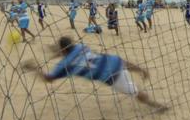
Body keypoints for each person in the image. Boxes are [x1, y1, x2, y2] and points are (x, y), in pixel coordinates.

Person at [21, 36, 168, 112]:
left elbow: (48, 79)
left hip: (112, 76)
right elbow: (68, 51)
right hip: (114, 61)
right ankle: (141, 70)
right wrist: (57, 51)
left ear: (63, 51)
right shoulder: (81, 47)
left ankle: (158, 107)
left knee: (135, 93)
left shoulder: (65, 65)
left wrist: (34, 68)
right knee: (123, 64)